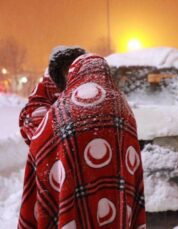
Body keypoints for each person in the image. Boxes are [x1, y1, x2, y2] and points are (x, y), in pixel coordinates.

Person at [18, 46, 146, 228]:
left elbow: (37, 145)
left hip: (69, 202)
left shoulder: (60, 111)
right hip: (115, 202)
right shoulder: (123, 108)